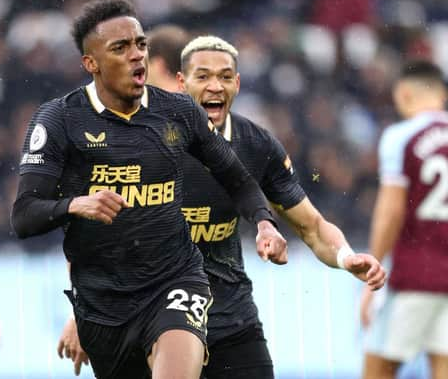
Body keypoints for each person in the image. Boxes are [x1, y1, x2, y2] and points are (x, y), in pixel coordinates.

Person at [58, 31, 387, 378]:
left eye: (225, 77)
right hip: (148, 322)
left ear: (238, 84)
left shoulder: (256, 145)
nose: (215, 86)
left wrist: (345, 256)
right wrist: (81, 313)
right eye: (203, 76)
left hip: (230, 323)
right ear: (182, 82)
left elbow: (313, 227)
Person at [11, 0, 288, 379]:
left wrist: (263, 221)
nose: (136, 55)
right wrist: (75, 205)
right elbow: (24, 216)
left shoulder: (178, 112)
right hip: (102, 305)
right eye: (120, 48)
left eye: (141, 44)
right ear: (91, 64)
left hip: (175, 281)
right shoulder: (59, 120)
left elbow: (237, 178)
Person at [360, 60, 448, 379]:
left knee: (377, 367)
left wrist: (372, 271)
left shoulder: (401, 136)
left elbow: (391, 211)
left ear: (405, 93)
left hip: (414, 274)